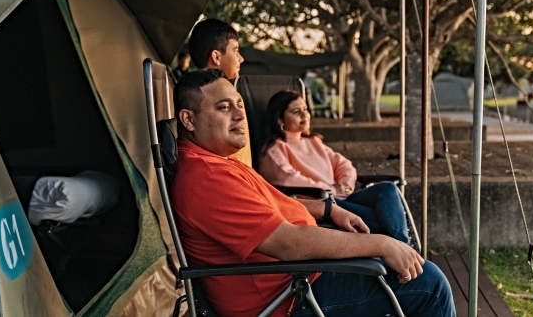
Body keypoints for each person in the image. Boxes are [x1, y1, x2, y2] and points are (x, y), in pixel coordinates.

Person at [171, 69, 455, 317]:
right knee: (429, 284)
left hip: (298, 274)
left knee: (388, 204)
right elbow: (289, 244)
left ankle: (403, 254)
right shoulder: (207, 178)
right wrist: (382, 244)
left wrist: (329, 209)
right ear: (189, 120)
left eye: (239, 104)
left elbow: (277, 204)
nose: (239, 114)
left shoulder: (217, 162)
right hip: (288, 296)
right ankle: (402, 253)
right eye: (223, 107)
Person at [258, 90, 409, 244]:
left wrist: (344, 185)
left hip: (342, 197)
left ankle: (405, 251)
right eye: (296, 111)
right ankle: (407, 252)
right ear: (280, 120)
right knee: (383, 219)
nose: (305, 115)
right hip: (322, 205)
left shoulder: (313, 142)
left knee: (387, 189)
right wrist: (332, 189)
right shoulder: (274, 149)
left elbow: (344, 165)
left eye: (305, 109)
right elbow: (288, 179)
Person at [187, 18, 251, 165]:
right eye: (235, 50)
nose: (241, 59)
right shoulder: (231, 97)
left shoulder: (192, 96)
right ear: (216, 56)